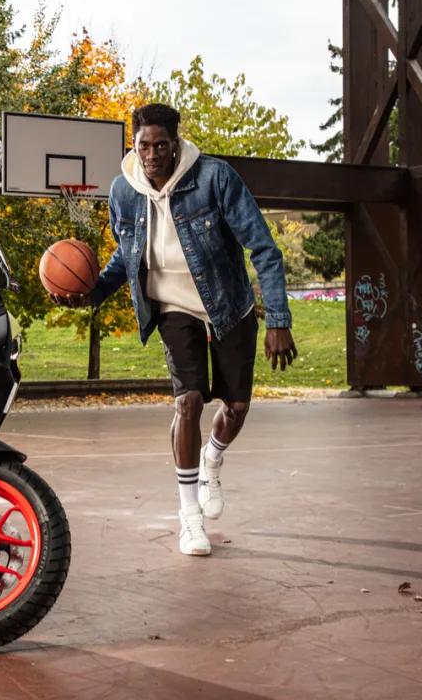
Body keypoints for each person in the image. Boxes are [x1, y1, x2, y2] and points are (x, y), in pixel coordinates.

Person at [51, 103, 297, 556]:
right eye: (143, 145)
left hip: (228, 305)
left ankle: (212, 459)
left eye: (161, 145)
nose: (152, 155)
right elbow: (127, 255)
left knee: (236, 407)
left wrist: (278, 320)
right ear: (134, 144)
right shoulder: (123, 191)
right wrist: (92, 293)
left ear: (176, 142)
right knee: (188, 401)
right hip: (171, 307)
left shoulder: (215, 178)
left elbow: (263, 248)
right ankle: (189, 517)